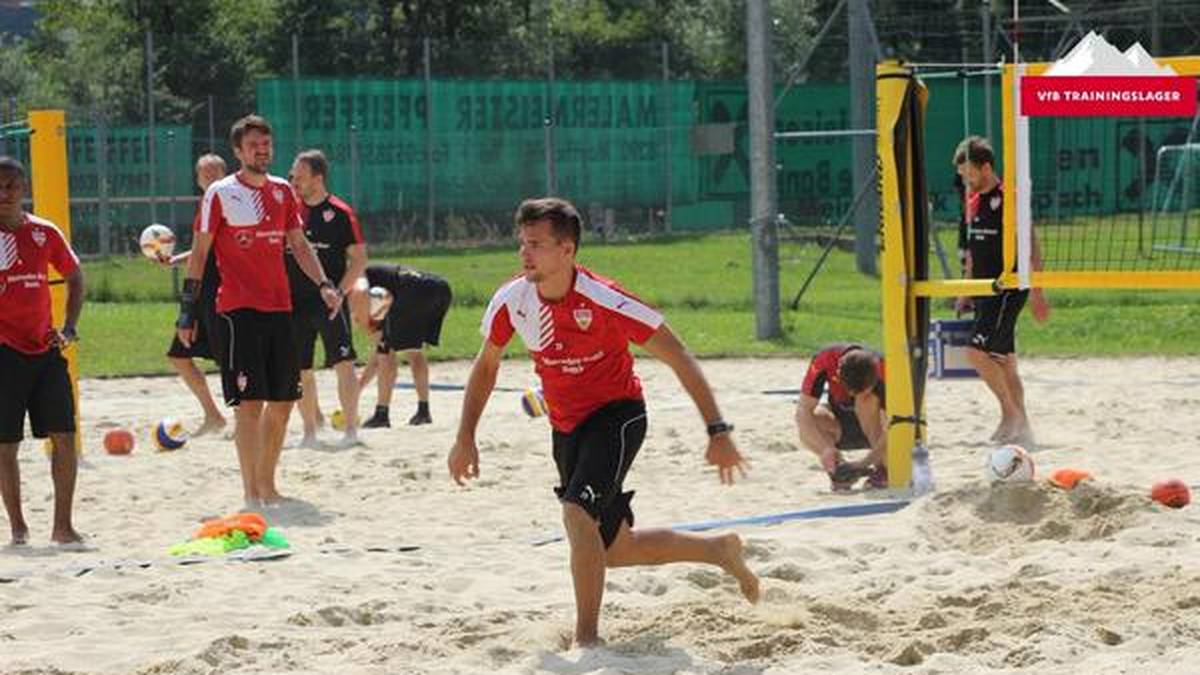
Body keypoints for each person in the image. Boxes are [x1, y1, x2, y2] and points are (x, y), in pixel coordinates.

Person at [447, 197, 759, 647]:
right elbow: (486, 366)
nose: (524, 253)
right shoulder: (512, 299)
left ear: (567, 250)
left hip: (618, 415)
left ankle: (587, 641)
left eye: (535, 244)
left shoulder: (605, 298)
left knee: (576, 514)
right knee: (614, 549)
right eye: (522, 243)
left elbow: (678, 354)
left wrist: (717, 430)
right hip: (567, 425)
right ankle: (718, 550)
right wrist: (465, 437)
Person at [177, 115, 341, 506]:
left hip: (279, 308)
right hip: (237, 310)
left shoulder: (284, 192)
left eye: (266, 145)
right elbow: (200, 254)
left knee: (283, 402)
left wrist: (324, 284)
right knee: (250, 404)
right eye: (254, 145)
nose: (262, 151)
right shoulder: (219, 193)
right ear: (238, 151)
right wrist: (187, 311)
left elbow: (299, 245)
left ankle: (268, 485)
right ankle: (251, 493)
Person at [0, 156, 85, 545]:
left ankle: (62, 527)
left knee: (65, 436)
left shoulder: (43, 232)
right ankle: (18, 527)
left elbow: (74, 275)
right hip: (4, 351)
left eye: (11, 185)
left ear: (24, 188)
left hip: (44, 348)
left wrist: (68, 327)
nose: (4, 193)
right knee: (5, 443)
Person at [953, 136, 1050, 445]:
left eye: (969, 172)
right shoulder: (973, 200)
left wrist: (1037, 291)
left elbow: (1032, 244)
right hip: (984, 289)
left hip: (1008, 287)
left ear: (986, 167)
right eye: (962, 175)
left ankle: (1011, 416)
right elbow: (972, 251)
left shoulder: (1010, 198)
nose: (966, 179)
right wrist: (966, 290)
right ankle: (1023, 427)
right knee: (1004, 360)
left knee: (976, 353)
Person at [286, 150, 367, 448]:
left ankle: (351, 432)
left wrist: (340, 293)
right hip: (295, 301)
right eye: (292, 176)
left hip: (329, 301)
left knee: (343, 362)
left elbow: (359, 259)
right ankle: (309, 433)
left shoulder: (340, 212)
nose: (294, 181)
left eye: (300, 176)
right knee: (300, 369)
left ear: (317, 179)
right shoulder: (289, 211)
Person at [158, 154, 227, 437]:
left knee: (229, 359)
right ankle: (213, 415)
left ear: (226, 176)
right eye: (205, 174)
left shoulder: (228, 206)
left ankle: (242, 418)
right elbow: (201, 251)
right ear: (198, 180)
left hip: (223, 290)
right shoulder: (205, 207)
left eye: (215, 174)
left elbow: (211, 252)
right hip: (200, 290)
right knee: (178, 355)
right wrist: (176, 260)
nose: (210, 179)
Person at [351, 265, 452, 427]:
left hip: (410, 291)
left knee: (387, 352)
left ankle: (382, 414)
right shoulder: (373, 277)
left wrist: (355, 390)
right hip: (440, 288)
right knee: (414, 350)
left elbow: (381, 353)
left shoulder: (359, 285)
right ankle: (423, 411)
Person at [795, 344, 887, 491]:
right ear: (838, 373)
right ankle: (840, 472)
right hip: (841, 424)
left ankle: (882, 469)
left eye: (861, 391)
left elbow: (894, 428)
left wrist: (863, 463)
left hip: (876, 429)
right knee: (810, 420)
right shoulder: (825, 360)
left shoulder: (884, 368)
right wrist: (825, 449)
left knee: (865, 402)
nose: (852, 395)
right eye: (850, 391)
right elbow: (803, 411)